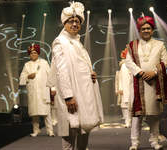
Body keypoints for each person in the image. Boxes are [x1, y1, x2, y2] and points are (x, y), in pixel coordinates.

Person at [51, 1, 104, 150]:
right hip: (72, 94)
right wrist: (68, 96)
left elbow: (81, 66)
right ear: (64, 23)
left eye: (77, 21)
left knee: (84, 130)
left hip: (84, 93)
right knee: (69, 132)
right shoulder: (60, 42)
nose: (75, 24)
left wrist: (91, 74)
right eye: (71, 21)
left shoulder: (77, 42)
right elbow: (61, 70)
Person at [125, 13, 167, 150]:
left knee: (154, 115)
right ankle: (134, 142)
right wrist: (142, 73)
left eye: (148, 28)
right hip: (139, 83)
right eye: (143, 29)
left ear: (152, 30)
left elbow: (166, 62)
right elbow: (128, 61)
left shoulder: (160, 44)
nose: (146, 31)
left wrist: (154, 72)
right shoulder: (132, 45)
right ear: (139, 31)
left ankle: (154, 141)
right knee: (137, 116)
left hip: (154, 85)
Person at [19, 44, 55, 137]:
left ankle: (50, 130)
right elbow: (21, 77)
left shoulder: (44, 63)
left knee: (46, 112)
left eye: (35, 52)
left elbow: (51, 76)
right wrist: (28, 76)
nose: (33, 54)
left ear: (38, 54)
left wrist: (53, 89)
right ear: (29, 55)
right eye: (31, 53)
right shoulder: (26, 65)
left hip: (43, 92)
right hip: (33, 93)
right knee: (34, 113)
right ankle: (36, 130)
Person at [119, 50, 132, 128]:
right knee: (125, 106)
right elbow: (120, 78)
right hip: (125, 88)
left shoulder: (135, 65)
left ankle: (135, 121)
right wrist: (120, 88)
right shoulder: (123, 66)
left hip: (133, 88)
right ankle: (127, 121)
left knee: (134, 106)